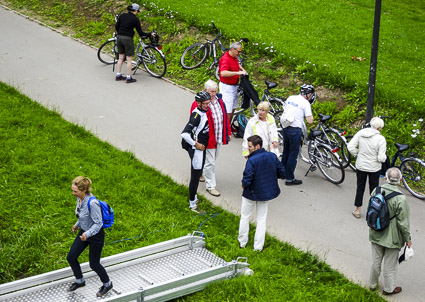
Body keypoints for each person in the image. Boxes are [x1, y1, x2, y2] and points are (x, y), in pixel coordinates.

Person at [67, 176, 113, 297]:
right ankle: (80, 281)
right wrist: (77, 225)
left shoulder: (92, 203)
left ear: (84, 190)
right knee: (71, 257)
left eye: (75, 191)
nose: (73, 193)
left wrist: (87, 234)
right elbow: (83, 216)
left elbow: (98, 224)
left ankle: (107, 284)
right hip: (84, 232)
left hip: (95, 235)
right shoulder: (79, 199)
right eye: (73, 190)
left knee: (94, 264)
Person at [368, 167, 412, 295]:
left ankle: (372, 285)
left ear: (386, 178)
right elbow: (403, 223)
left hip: (376, 232)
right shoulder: (401, 198)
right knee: (390, 266)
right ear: (400, 180)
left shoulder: (376, 190)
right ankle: (388, 289)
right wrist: (408, 240)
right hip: (392, 238)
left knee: (376, 262)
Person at [238, 135, 285, 252]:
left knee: (245, 217)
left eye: (250, 146)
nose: (248, 148)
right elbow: (282, 172)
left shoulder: (251, 160)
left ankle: (242, 243)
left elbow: (247, 178)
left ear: (257, 146)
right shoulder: (272, 156)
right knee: (261, 220)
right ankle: (258, 247)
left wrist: (244, 185)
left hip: (250, 193)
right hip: (265, 194)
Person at [190, 80, 231, 197]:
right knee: (211, 163)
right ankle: (210, 186)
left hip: (218, 136)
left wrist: (228, 132)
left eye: (215, 91)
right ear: (205, 91)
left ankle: (200, 172)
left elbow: (224, 117)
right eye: (211, 91)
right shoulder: (198, 104)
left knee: (211, 159)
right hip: (207, 139)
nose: (214, 94)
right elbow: (194, 122)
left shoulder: (219, 101)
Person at [348, 117, 386, 218]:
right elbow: (381, 158)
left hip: (361, 166)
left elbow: (350, 146)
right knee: (374, 189)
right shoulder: (381, 139)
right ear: (379, 128)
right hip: (374, 168)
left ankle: (357, 210)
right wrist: (383, 158)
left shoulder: (361, 133)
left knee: (360, 187)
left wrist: (357, 154)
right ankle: (373, 210)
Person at [181, 91, 211, 213]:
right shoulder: (196, 116)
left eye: (209, 103)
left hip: (202, 148)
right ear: (198, 103)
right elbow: (184, 134)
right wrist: (196, 144)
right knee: (195, 176)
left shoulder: (203, 113)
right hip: (197, 150)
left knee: (198, 174)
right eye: (205, 104)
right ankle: (192, 204)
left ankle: (194, 197)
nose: (208, 105)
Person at [281, 84, 315, 185]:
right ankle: (289, 179)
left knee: (286, 151)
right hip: (295, 130)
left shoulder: (291, 97)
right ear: (308, 95)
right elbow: (309, 121)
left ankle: (282, 173)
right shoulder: (305, 103)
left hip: (285, 127)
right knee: (293, 155)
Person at [115, 4, 155, 83]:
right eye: (138, 11)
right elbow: (140, 33)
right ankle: (128, 77)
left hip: (119, 37)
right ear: (136, 11)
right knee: (129, 59)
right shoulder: (135, 19)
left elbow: (116, 27)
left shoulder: (122, 15)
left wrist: (121, 32)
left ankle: (118, 75)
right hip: (128, 39)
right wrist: (150, 34)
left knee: (120, 58)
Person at [219, 41, 247, 122]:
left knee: (233, 108)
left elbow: (236, 64)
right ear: (232, 49)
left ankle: (228, 126)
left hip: (234, 86)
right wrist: (237, 73)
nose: (239, 53)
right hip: (227, 87)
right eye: (238, 51)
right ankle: (225, 128)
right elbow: (223, 73)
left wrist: (242, 69)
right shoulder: (225, 59)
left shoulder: (234, 57)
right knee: (227, 109)